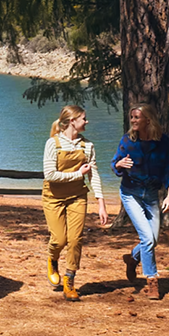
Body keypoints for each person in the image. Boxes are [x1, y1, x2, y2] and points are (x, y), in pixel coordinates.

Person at [41, 105, 108, 302]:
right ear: (73, 121)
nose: (87, 122)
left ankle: (69, 281)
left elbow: (94, 175)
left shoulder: (88, 146)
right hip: (53, 198)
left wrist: (101, 203)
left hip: (78, 196)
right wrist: (78, 174)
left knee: (76, 239)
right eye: (84, 119)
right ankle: (52, 260)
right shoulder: (52, 144)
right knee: (59, 240)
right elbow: (50, 175)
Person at [112, 105, 169, 300]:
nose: (133, 121)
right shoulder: (127, 140)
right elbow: (115, 163)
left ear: (148, 120)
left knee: (153, 239)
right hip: (130, 194)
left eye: (136, 118)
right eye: (131, 117)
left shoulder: (162, 142)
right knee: (148, 239)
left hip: (151, 195)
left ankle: (133, 258)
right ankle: (152, 281)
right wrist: (119, 165)